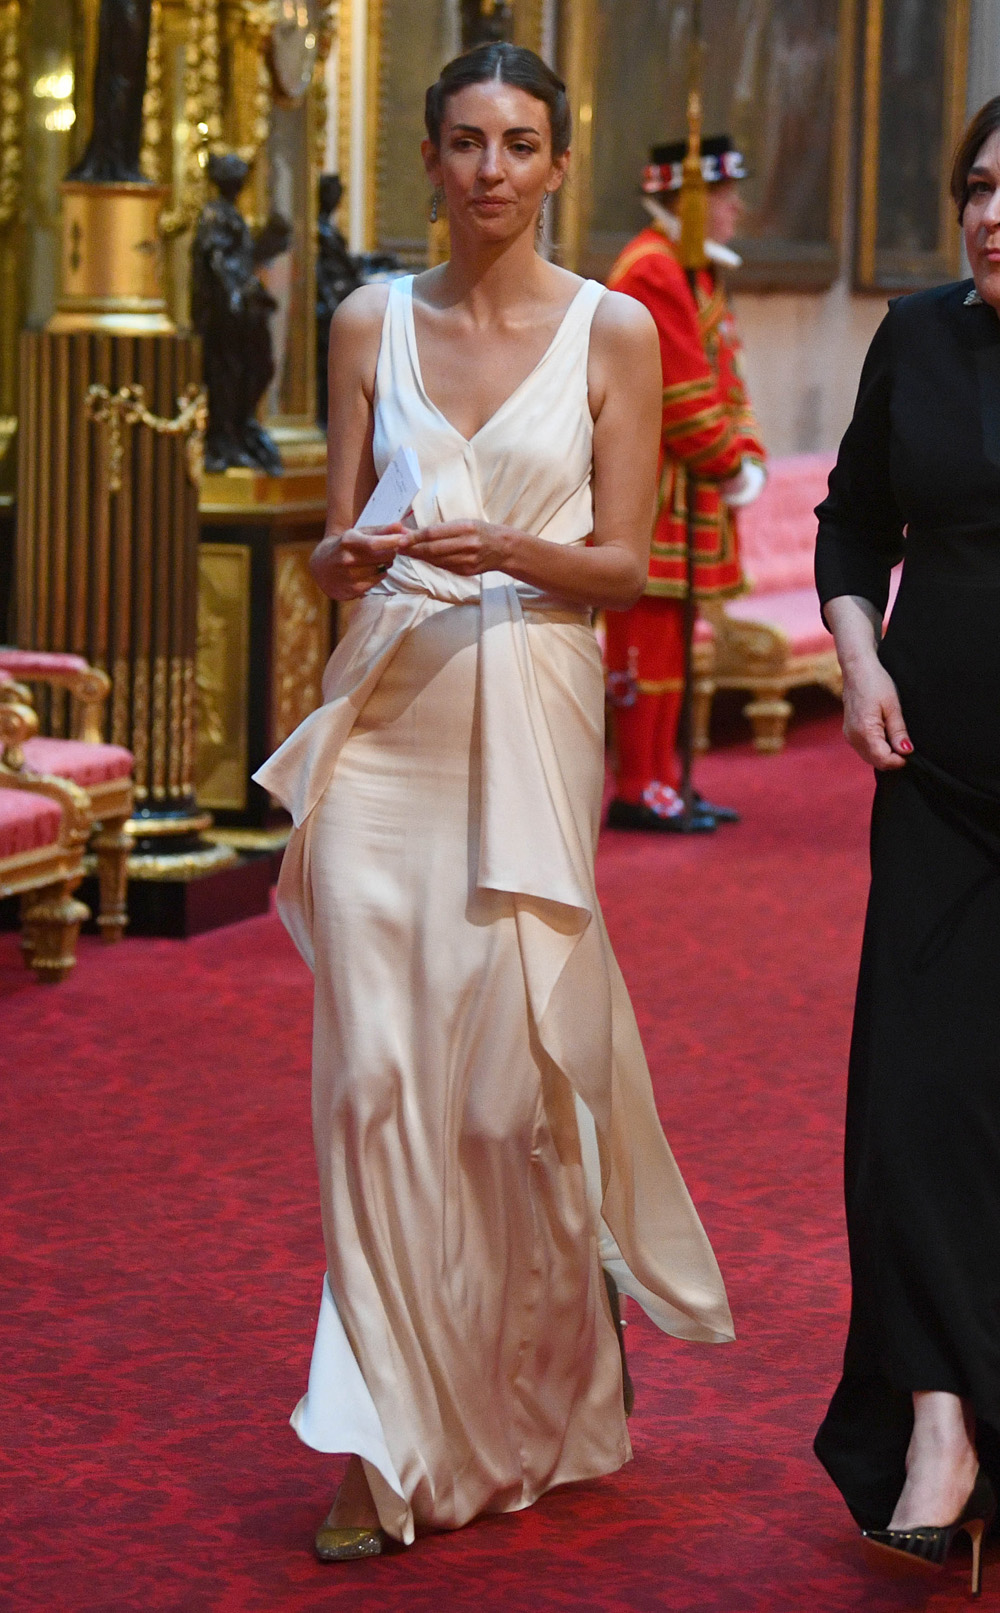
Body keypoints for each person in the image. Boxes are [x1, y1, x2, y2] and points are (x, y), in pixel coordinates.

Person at [254, 42, 733, 1561]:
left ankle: (544, 1370)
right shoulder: (363, 320)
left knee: (503, 1095)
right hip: (386, 723)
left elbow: (625, 567)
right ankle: (380, 1438)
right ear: (429, 155)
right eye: (465, 143)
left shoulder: (613, 331)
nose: (491, 172)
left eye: (520, 145)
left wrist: (502, 553)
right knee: (369, 1085)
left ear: (556, 162)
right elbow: (334, 541)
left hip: (528, 706)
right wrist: (349, 559)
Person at [812, 97, 1000, 1597]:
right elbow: (849, 522)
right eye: (980, 189)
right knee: (912, 1105)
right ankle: (938, 1421)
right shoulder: (917, 336)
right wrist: (860, 658)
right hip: (933, 774)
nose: (994, 215)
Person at [603, 135, 766, 833]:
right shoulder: (651, 270)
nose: (736, 210)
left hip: (691, 492)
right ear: (691, 202)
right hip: (653, 490)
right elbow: (678, 394)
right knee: (645, 644)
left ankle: (667, 778)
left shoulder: (698, 272)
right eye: (725, 199)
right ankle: (638, 784)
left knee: (675, 638)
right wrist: (731, 463)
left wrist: (746, 450)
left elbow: (727, 378)